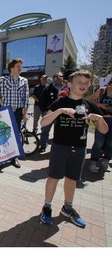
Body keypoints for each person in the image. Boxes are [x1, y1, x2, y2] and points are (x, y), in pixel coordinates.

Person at [39, 70, 107, 228]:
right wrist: (59, 111)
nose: (83, 85)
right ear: (69, 84)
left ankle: (67, 208)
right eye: (79, 82)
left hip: (80, 148)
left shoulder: (90, 105)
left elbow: (103, 130)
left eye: (86, 83)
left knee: (72, 179)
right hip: (59, 147)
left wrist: (100, 119)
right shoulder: (59, 102)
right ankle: (47, 207)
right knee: (53, 177)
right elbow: (43, 123)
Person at [0, 58, 29, 168]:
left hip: (18, 112)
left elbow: (26, 99)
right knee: (4, 134)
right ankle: (2, 158)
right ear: (12, 68)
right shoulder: (3, 80)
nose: (20, 68)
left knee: (16, 135)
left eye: (21, 66)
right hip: (6, 111)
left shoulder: (24, 81)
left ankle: (13, 157)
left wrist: (25, 114)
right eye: (18, 66)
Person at [88, 78, 112, 173]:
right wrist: (100, 105)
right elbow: (90, 101)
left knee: (110, 142)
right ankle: (93, 162)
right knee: (99, 142)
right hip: (102, 119)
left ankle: (105, 161)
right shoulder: (102, 90)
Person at [38, 72, 64, 152]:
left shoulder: (66, 88)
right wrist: (44, 111)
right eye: (56, 76)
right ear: (53, 78)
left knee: (60, 132)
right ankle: (43, 146)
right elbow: (42, 100)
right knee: (45, 130)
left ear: (63, 78)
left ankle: (58, 147)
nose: (58, 77)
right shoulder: (48, 88)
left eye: (60, 76)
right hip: (50, 113)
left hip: (62, 114)